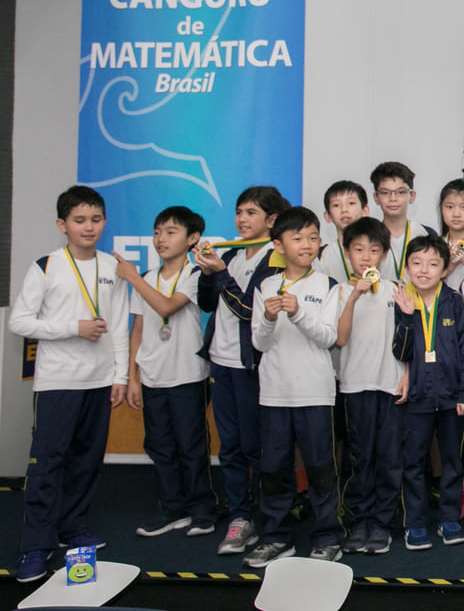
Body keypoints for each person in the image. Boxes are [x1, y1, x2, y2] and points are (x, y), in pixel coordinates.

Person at [10, 186, 132, 583]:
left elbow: (117, 326)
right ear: (63, 225)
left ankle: (72, 528)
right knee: (47, 464)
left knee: (86, 461)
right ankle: (36, 544)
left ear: (105, 222)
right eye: (80, 220)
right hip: (58, 382)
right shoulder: (45, 266)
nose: (89, 227)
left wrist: (119, 376)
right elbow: (20, 322)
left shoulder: (113, 269)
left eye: (96, 219)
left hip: (98, 383)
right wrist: (71, 329)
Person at [193, 184, 288, 557]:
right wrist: (207, 271)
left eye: (251, 212)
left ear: (272, 220)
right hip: (221, 360)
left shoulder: (274, 259)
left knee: (254, 446)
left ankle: (265, 521)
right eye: (239, 211)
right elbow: (206, 303)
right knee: (229, 446)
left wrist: (221, 275)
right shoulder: (228, 253)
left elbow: (250, 311)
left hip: (252, 365)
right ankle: (239, 515)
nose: (242, 219)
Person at [245, 206, 341, 566]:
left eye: (313, 237)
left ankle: (328, 536)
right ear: (278, 244)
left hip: (315, 392)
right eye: (297, 237)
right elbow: (260, 343)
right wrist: (269, 318)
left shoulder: (328, 286)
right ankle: (275, 537)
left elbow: (328, 338)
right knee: (273, 469)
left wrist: (298, 313)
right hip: (274, 393)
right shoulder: (266, 286)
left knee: (320, 467)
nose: (307, 244)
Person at [118, 205, 215, 540]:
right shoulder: (146, 278)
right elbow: (138, 328)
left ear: (192, 239)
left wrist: (131, 277)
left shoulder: (194, 273)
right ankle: (172, 509)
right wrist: (132, 376)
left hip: (188, 374)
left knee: (191, 445)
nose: (161, 238)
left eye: (171, 231)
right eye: (158, 231)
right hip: (152, 376)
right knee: (160, 445)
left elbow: (166, 306)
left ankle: (202, 510)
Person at [393, 234, 464, 551]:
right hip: (417, 397)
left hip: (452, 395)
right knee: (413, 462)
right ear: (407, 266)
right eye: (416, 263)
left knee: (453, 461)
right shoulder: (402, 297)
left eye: (432, 264)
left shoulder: (454, 299)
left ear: (444, 269)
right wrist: (407, 316)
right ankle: (414, 524)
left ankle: (449, 519)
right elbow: (400, 350)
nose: (423, 270)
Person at [331, 217, 402, 556]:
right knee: (359, 457)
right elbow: (340, 337)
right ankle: (357, 522)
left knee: (388, 458)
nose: (366, 257)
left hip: (389, 386)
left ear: (384, 255)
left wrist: (408, 376)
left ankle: (382, 524)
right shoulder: (340, 291)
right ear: (347, 253)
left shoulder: (397, 290)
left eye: (374, 250)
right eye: (358, 249)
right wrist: (354, 297)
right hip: (354, 386)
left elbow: (410, 340)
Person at [369, 161, 436, 285]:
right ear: (376, 198)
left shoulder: (426, 234)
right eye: (385, 193)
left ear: (412, 196)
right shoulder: (369, 236)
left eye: (400, 192)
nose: (393, 198)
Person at [318, 180, 369, 285]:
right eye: (336, 205)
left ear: (365, 210)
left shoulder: (380, 250)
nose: (344, 209)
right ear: (327, 216)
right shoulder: (321, 257)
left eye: (351, 203)